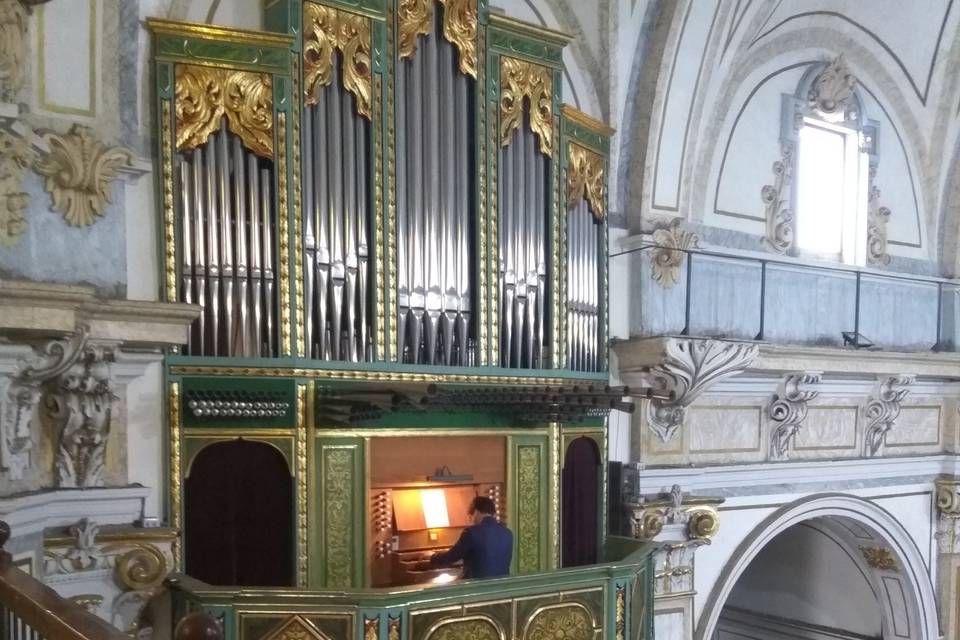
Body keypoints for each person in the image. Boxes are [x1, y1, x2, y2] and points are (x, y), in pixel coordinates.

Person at [430, 496, 512, 579]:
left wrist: (432, 556)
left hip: (476, 588)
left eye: (471, 516)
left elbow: (450, 557)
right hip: (501, 587)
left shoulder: (472, 532)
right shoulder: (508, 533)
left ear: (476, 512)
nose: (472, 521)